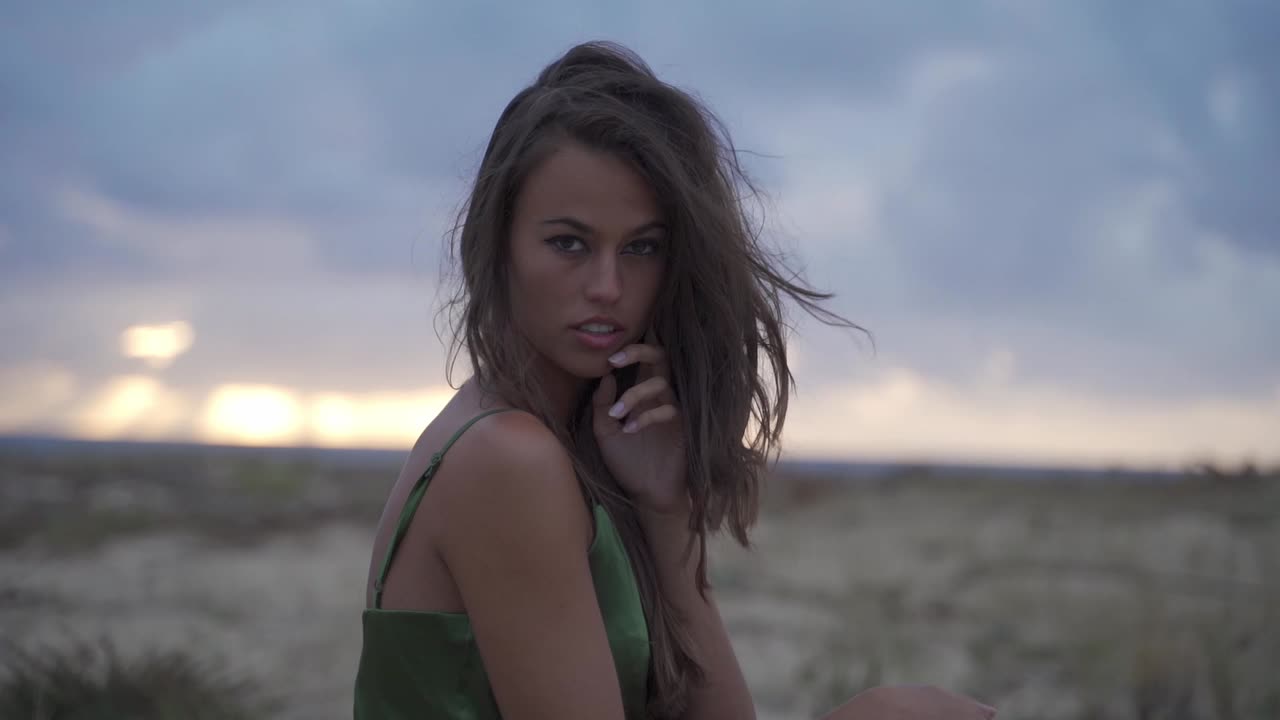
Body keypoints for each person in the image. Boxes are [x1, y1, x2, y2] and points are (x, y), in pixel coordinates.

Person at [352, 41, 996, 720]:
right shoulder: (507, 458)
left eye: (642, 248)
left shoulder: (572, 447)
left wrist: (667, 514)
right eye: (568, 243)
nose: (607, 287)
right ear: (499, 242)